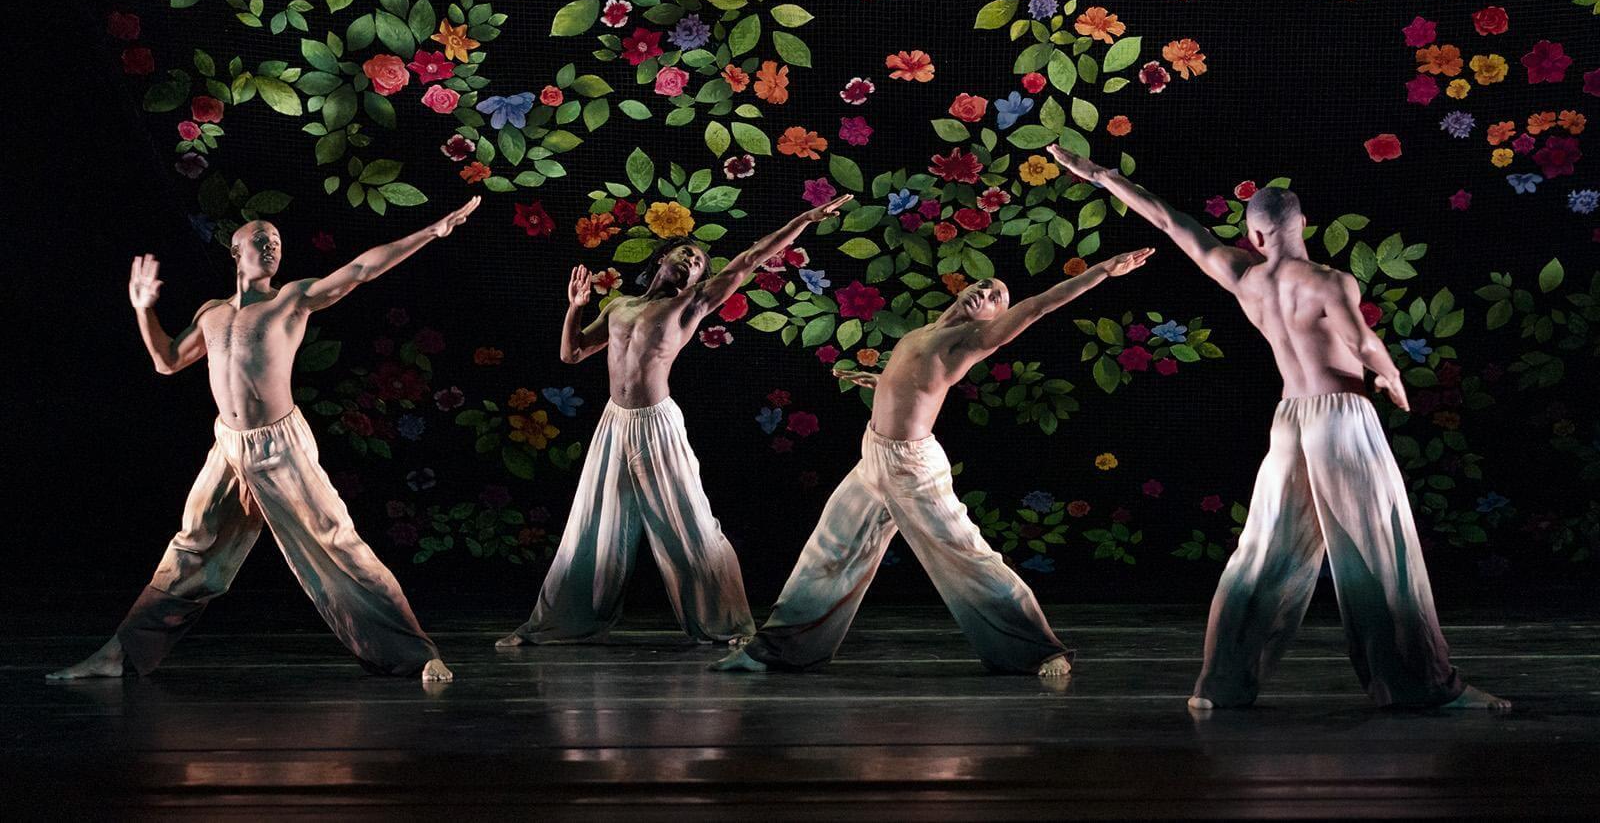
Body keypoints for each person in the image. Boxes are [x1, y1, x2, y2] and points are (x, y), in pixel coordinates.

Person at [1045, 145, 1509, 711]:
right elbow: (1361, 342)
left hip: (1289, 422)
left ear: (1256, 236)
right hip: (1340, 418)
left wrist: (1097, 175)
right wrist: (1390, 376)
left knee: (1263, 553)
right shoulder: (1330, 283)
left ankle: (1219, 688)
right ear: (1302, 225)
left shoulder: (1242, 275)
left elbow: (1168, 220)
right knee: (1379, 554)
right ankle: (1424, 688)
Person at [47, 198, 481, 683]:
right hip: (229, 446)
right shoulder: (211, 313)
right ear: (236, 252)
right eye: (259, 240)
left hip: (281, 447)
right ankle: (120, 655)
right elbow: (166, 360)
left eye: (275, 242)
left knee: (337, 542)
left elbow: (360, 269)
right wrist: (143, 310)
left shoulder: (291, 299)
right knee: (191, 547)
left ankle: (418, 653)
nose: (270, 247)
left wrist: (429, 232)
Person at [713, 247, 1155, 676]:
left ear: (995, 319)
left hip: (911, 467)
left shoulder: (971, 340)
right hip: (874, 458)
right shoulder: (925, 332)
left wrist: (1100, 271)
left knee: (966, 555)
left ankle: (1038, 650)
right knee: (828, 552)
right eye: (983, 285)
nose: (983, 293)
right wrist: (879, 381)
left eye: (996, 297)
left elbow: (1039, 306)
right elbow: (915, 385)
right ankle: (775, 652)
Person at [497, 195, 855, 648]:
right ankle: (552, 624)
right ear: (663, 257)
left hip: (656, 425)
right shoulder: (620, 306)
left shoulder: (691, 306)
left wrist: (803, 218)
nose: (693, 262)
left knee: (691, 522)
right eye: (687, 253)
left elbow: (750, 259)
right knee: (590, 525)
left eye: (701, 263)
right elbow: (571, 354)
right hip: (614, 424)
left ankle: (729, 625)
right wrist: (576, 306)